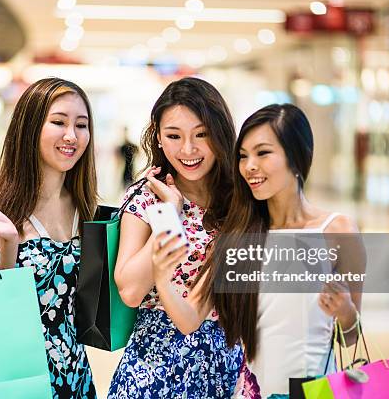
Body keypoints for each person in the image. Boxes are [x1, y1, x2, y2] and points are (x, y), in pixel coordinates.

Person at [149, 104, 364, 398]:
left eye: (263, 153)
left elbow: (351, 337)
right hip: (253, 391)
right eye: (243, 156)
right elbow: (189, 319)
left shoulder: (338, 231)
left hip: (314, 391)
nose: (249, 166)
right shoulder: (238, 236)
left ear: (297, 157)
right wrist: (162, 279)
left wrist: (345, 311)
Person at [0, 78, 98, 398]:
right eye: (59, 122)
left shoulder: (85, 206)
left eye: (81, 125)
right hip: (19, 375)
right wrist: (7, 244)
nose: (71, 136)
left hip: (76, 371)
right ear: (31, 128)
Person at [109, 77, 243, 398]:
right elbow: (129, 289)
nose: (188, 149)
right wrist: (170, 216)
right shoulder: (147, 196)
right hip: (158, 365)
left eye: (202, 134)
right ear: (157, 136)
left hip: (227, 361)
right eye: (174, 136)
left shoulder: (239, 199)